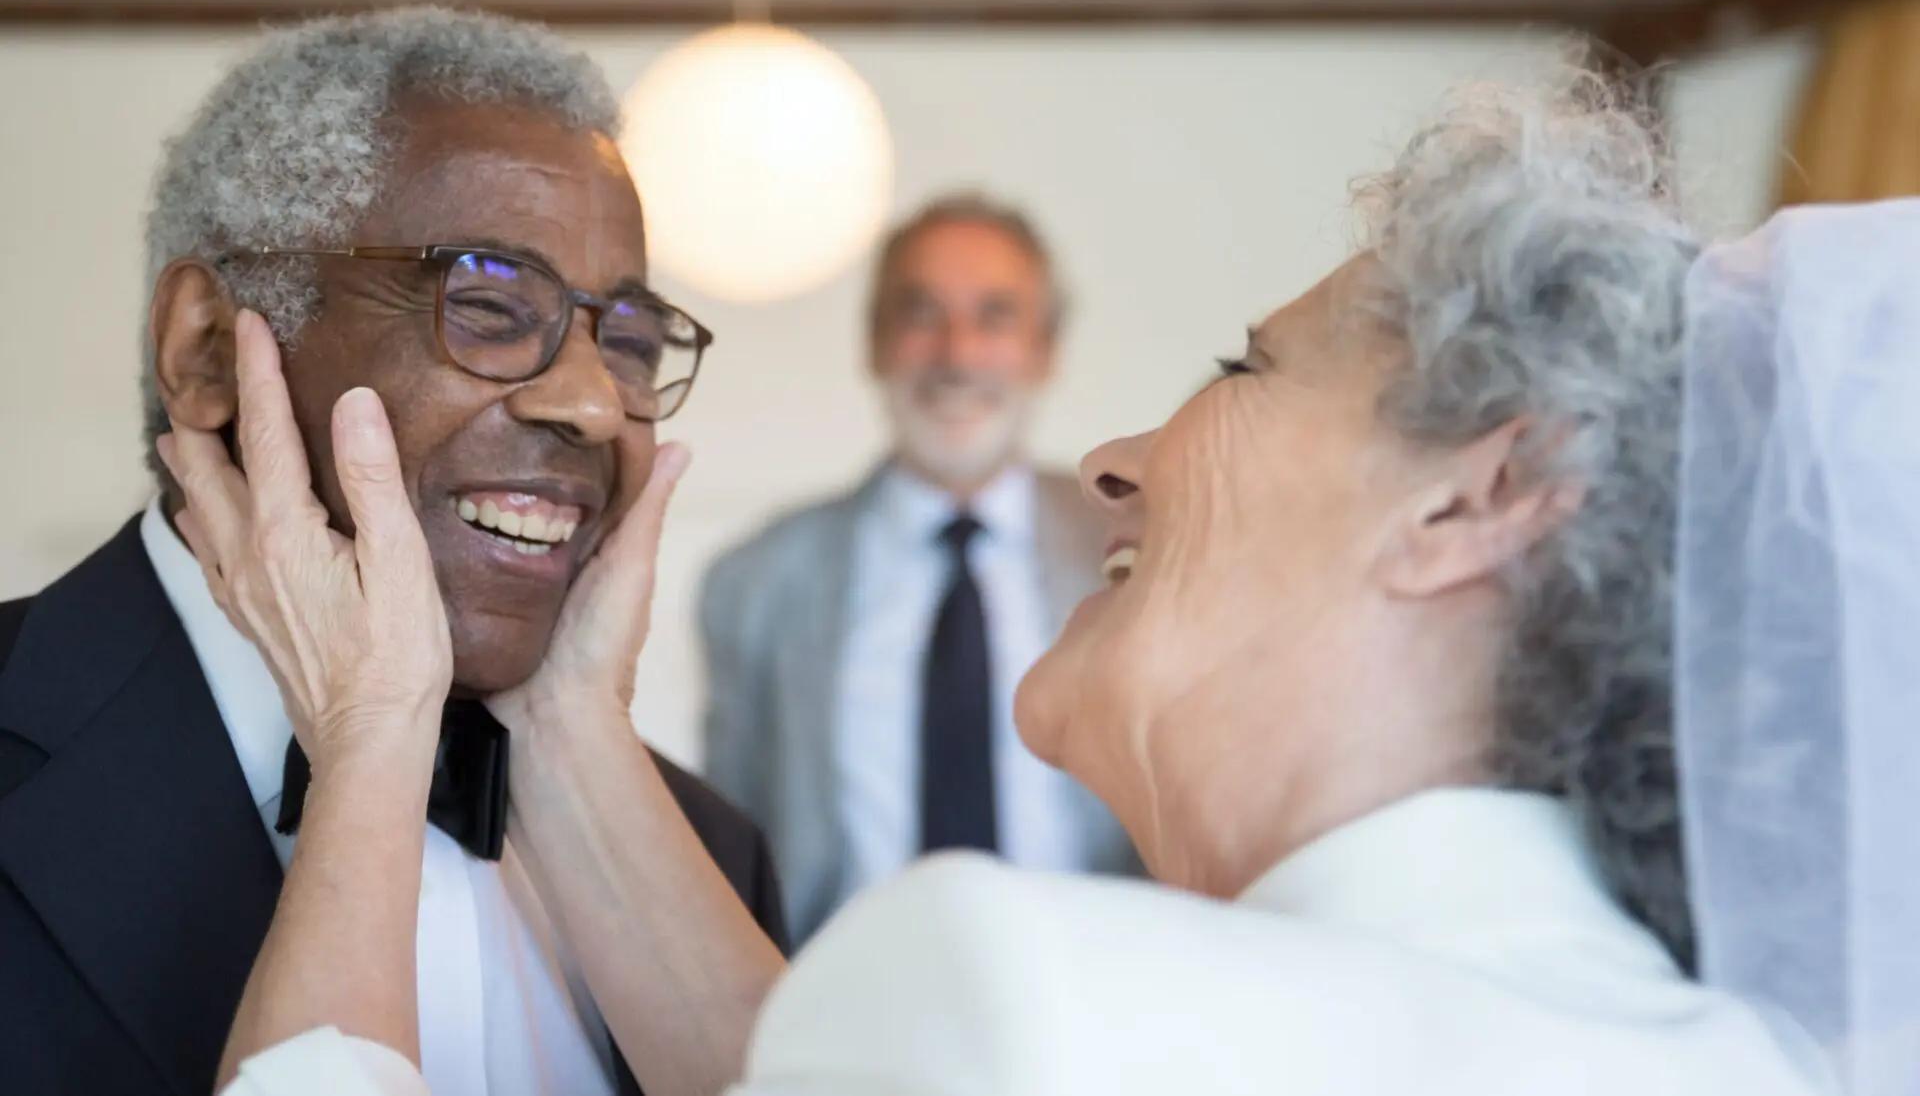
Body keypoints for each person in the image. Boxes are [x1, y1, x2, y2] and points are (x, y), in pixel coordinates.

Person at [181, 66, 1834, 1096]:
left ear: (1480, 494)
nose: (1121, 453)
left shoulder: (1021, 987)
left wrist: (381, 720)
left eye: (1239, 369)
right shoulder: (1762, 1058)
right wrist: (565, 722)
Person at [0, 7, 788, 1096]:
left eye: (631, 341)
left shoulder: (711, 850)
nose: (597, 405)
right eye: (488, 304)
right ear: (205, 349)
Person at [700, 193, 1133, 942]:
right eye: (921, 313)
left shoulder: (1135, 548)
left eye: (996, 315)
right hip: (844, 1006)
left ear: (1045, 348)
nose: (958, 354)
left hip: (1100, 1000)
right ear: (873, 342)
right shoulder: (757, 581)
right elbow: (732, 856)